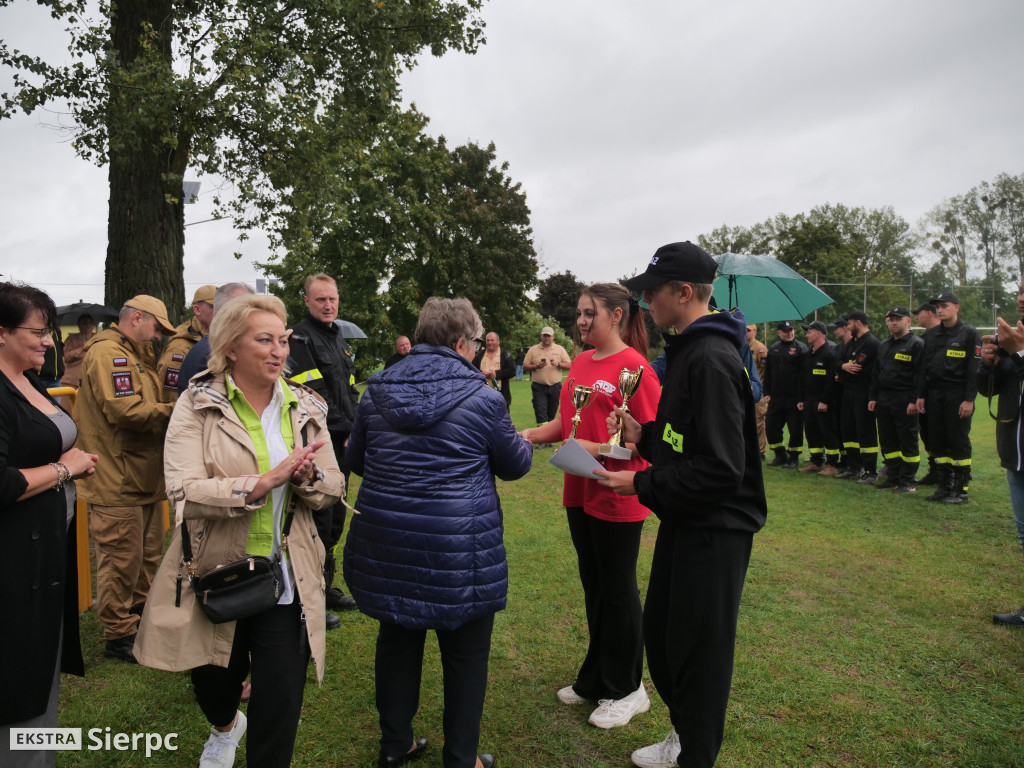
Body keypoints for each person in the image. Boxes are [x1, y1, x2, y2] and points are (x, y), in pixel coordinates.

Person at [134, 293, 343, 768]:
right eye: (264, 340)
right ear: (230, 346)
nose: (278, 351)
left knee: (281, 698)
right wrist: (262, 483)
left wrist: (310, 480)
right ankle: (226, 725)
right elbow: (184, 491)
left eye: (283, 340)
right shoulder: (197, 403)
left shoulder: (306, 405)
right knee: (214, 684)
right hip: (216, 570)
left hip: (285, 575)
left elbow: (334, 484)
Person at [594, 242, 767, 768]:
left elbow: (720, 467)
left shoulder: (711, 358)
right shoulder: (690, 351)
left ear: (684, 292)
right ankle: (684, 733)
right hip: (687, 518)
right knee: (666, 637)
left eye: (652, 292)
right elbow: (686, 441)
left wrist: (640, 488)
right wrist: (645, 440)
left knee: (700, 651)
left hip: (715, 528)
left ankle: (696, 752)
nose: (645, 303)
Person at [344, 297, 532, 768]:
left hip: (390, 536)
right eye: (472, 345)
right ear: (460, 343)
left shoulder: (376, 391)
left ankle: (396, 745)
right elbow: (514, 465)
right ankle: (459, 757)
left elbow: (356, 460)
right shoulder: (483, 397)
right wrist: (519, 440)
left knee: (397, 640)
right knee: (465, 653)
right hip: (457, 546)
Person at [521, 283, 661, 729]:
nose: (581, 321)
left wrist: (598, 448)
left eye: (590, 314)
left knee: (619, 591)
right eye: (579, 313)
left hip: (617, 494)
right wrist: (527, 435)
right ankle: (597, 676)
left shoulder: (637, 369)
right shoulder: (579, 362)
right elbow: (566, 422)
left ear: (617, 315)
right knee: (595, 586)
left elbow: (650, 441)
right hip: (579, 491)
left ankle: (629, 688)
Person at [0, 282, 97, 768]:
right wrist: (65, 469)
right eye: (38, 332)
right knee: (18, 671)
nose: (49, 342)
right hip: (14, 562)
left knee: (43, 663)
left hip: (45, 554)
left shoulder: (29, 378)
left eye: (49, 332)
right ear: (0, 333)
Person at [75, 295, 176, 662]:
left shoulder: (133, 353)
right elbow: (124, 410)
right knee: (120, 559)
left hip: (139, 474)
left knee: (147, 556)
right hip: (116, 477)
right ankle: (118, 634)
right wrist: (177, 411)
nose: (158, 336)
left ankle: (137, 620)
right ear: (136, 318)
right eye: (156, 327)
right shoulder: (109, 355)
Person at [289, 274, 361, 625]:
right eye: (320, 300)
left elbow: (349, 390)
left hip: (344, 439)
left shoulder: (339, 339)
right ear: (306, 301)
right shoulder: (300, 339)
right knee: (315, 518)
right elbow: (314, 396)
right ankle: (309, 596)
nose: (328, 305)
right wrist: (346, 430)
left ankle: (326, 586)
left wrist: (357, 425)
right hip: (320, 441)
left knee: (335, 515)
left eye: (332, 299)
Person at [978, 282, 1024, 626]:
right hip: (1015, 453)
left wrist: (1019, 353)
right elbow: (988, 390)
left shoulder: (1017, 343)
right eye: (1020, 291)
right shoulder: (1014, 337)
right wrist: (990, 363)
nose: (1021, 298)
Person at [916, 293, 981, 504]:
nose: (940, 310)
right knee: (937, 441)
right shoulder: (933, 335)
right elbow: (924, 368)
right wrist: (921, 396)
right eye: (937, 307)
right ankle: (944, 487)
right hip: (935, 394)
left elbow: (974, 369)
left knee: (958, 441)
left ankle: (961, 489)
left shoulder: (969, 334)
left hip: (957, 393)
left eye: (944, 306)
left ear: (956, 307)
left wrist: (969, 399)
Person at [868, 307, 924, 492]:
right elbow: (876, 373)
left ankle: (907, 480)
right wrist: (873, 397)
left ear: (908, 321)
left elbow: (920, 375)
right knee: (888, 440)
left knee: (907, 440)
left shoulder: (916, 344)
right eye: (890, 319)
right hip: (884, 398)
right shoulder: (884, 345)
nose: (893, 322)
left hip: (905, 398)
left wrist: (914, 400)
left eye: (898, 319)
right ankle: (892, 477)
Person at [176, 283, 256, 394]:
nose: (254, 316)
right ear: (222, 314)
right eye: (243, 310)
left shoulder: (214, 346)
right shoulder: (212, 353)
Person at [836, 310, 880, 483]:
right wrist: (843, 367)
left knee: (865, 432)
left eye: (850, 323)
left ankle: (870, 471)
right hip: (848, 392)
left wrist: (844, 369)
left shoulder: (871, 343)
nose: (847, 327)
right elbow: (838, 361)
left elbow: (857, 366)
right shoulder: (852, 343)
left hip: (863, 393)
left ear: (859, 323)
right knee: (849, 430)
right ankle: (853, 467)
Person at [157, 284, 216, 401]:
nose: (222, 312)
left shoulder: (218, 339)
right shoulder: (180, 349)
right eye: (214, 307)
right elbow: (171, 399)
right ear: (197, 310)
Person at [797, 320, 840, 475]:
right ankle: (815, 461)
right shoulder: (807, 354)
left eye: (810, 331)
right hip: (809, 400)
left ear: (820, 333)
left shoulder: (830, 353)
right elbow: (803, 378)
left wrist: (825, 401)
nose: (807, 334)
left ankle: (832, 464)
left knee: (828, 432)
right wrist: (802, 399)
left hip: (824, 401)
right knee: (811, 431)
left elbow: (831, 380)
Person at [763, 320, 806, 468]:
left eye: (791, 330)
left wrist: (801, 397)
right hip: (776, 397)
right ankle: (780, 455)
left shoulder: (801, 348)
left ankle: (793, 457)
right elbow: (768, 372)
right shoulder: (774, 348)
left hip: (794, 398)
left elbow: (804, 375)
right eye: (786, 331)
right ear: (779, 333)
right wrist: (767, 391)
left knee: (795, 429)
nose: (789, 333)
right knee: (771, 426)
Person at [522, 326, 571, 441]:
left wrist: (558, 363)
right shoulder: (533, 350)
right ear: (541, 336)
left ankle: (548, 437)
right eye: (545, 335)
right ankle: (542, 439)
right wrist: (536, 366)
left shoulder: (559, 349)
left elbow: (569, 365)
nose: (547, 338)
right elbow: (525, 366)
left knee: (552, 412)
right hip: (539, 386)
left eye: (549, 336)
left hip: (555, 386)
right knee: (540, 411)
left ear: (553, 336)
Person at [912, 302, 941, 485]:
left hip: (942, 394)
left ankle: (949, 474)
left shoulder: (946, 336)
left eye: (918, 313)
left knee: (942, 435)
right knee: (927, 434)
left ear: (929, 313)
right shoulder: (923, 339)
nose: (916, 317)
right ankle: (935, 470)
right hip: (923, 395)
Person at [472, 331, 515, 412]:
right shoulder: (479, 355)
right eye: (488, 340)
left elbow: (512, 371)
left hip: (501, 395)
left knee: (502, 421)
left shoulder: (505, 355)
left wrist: (496, 374)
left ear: (498, 342)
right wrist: (481, 374)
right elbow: (472, 369)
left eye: (492, 340)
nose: (490, 343)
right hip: (482, 396)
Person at [747, 325, 768, 460]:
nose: (745, 332)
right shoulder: (738, 345)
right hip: (743, 391)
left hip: (757, 391)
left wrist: (765, 392)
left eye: (748, 330)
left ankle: (760, 451)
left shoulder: (760, 348)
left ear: (754, 332)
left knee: (758, 422)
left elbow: (766, 371)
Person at [61, 313, 96, 389]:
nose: (87, 326)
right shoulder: (71, 339)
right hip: (71, 381)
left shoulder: (97, 338)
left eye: (90, 323)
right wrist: (81, 347)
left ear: (93, 325)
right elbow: (65, 358)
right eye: (84, 323)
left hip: (92, 381)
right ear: (79, 325)